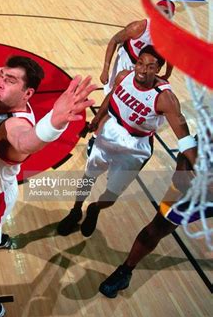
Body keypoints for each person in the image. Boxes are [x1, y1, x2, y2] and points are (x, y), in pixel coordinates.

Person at [0, 55, 97, 317]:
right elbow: (3, 90)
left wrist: (53, 123)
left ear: (27, 93)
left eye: (10, 81)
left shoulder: (15, 125)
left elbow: (26, 141)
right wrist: (4, 75)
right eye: (1, 77)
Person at [57, 46, 197, 237]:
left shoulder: (165, 99)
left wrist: (199, 167)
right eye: (140, 63)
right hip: (109, 132)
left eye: (150, 66)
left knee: (112, 196)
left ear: (157, 70)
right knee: (88, 176)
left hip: (136, 146)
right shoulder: (124, 76)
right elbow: (110, 97)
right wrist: (96, 120)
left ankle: (95, 208)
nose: (142, 70)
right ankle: (75, 210)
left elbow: (185, 139)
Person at [98, 148, 212, 298]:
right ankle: (124, 272)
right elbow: (188, 147)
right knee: (157, 229)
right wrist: (181, 168)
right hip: (194, 191)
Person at [100, 0, 175, 95]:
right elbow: (114, 40)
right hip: (127, 61)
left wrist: (168, 74)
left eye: (166, 12)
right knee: (113, 92)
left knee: (135, 97)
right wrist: (105, 69)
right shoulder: (139, 27)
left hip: (146, 69)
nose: (161, 14)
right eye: (159, 10)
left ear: (171, 16)